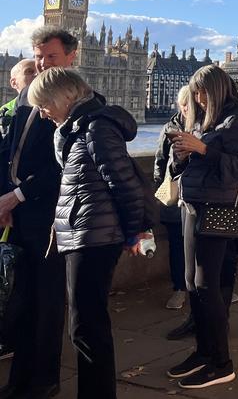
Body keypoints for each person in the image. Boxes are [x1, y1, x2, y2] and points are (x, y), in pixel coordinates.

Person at [27, 68, 151, 399]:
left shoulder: (96, 128)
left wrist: (135, 231)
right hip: (86, 234)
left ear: (64, 97)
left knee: (87, 327)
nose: (42, 112)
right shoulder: (78, 129)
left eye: (44, 104)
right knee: (85, 326)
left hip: (95, 238)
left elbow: (124, 183)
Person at [0, 26, 76, 399]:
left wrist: (18, 194)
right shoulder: (28, 101)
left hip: (49, 218)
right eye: (40, 56)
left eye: (52, 57)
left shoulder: (74, 103)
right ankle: (19, 381)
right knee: (21, 300)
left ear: (70, 58)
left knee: (46, 305)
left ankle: (44, 380)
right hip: (19, 216)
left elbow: (62, 169)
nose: (43, 64)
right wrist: (4, 199)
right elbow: (8, 154)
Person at [166, 65, 238, 390]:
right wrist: (182, 153)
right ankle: (203, 352)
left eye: (201, 92)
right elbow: (183, 167)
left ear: (215, 90)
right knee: (191, 283)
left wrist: (202, 147)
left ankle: (221, 362)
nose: (197, 98)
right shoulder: (206, 119)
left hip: (216, 209)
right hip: (191, 204)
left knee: (207, 285)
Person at [154, 87, 192, 311]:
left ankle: (208, 286)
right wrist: (161, 190)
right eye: (186, 105)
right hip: (175, 195)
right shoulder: (169, 128)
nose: (190, 109)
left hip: (199, 196)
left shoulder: (206, 127)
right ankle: (179, 288)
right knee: (177, 245)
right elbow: (159, 162)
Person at [0, 60, 36, 141]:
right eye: (30, 71)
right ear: (13, 83)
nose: (37, 74)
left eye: (40, 71)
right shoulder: (4, 111)